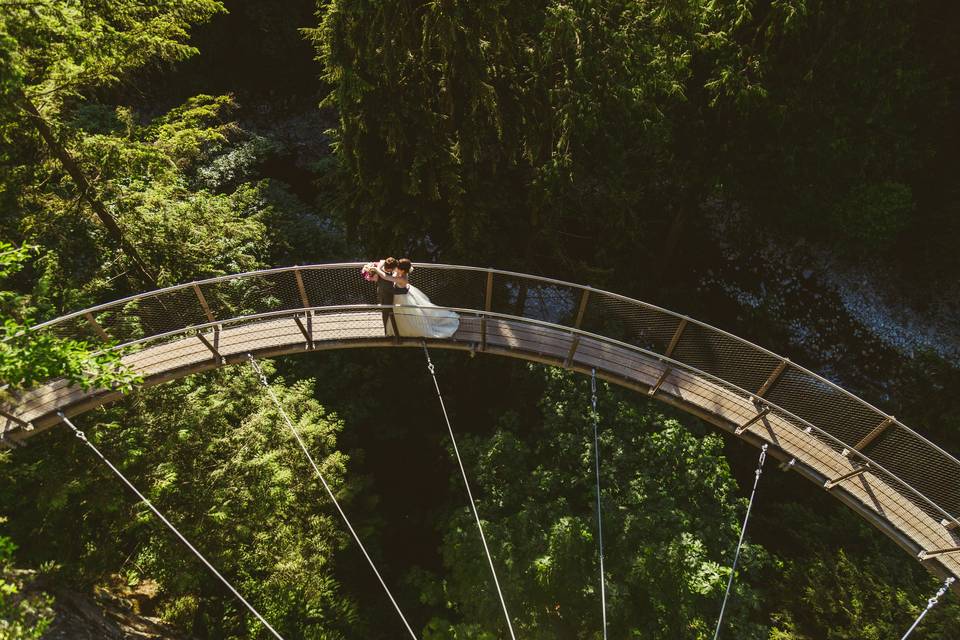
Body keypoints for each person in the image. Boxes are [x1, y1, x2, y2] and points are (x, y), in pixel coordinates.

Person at [369, 258, 460, 338]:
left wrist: (376, 270)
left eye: (398, 268)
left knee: (406, 314)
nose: (396, 269)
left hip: (402, 298)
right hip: (401, 295)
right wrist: (379, 265)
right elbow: (384, 262)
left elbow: (386, 277)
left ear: (403, 271)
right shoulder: (401, 270)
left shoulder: (402, 279)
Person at [363, 257, 400, 335]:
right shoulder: (382, 275)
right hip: (385, 296)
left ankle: (391, 330)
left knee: (390, 312)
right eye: (393, 268)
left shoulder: (381, 268)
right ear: (390, 269)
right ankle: (387, 332)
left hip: (384, 292)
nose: (394, 269)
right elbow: (391, 289)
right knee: (386, 313)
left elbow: (383, 261)